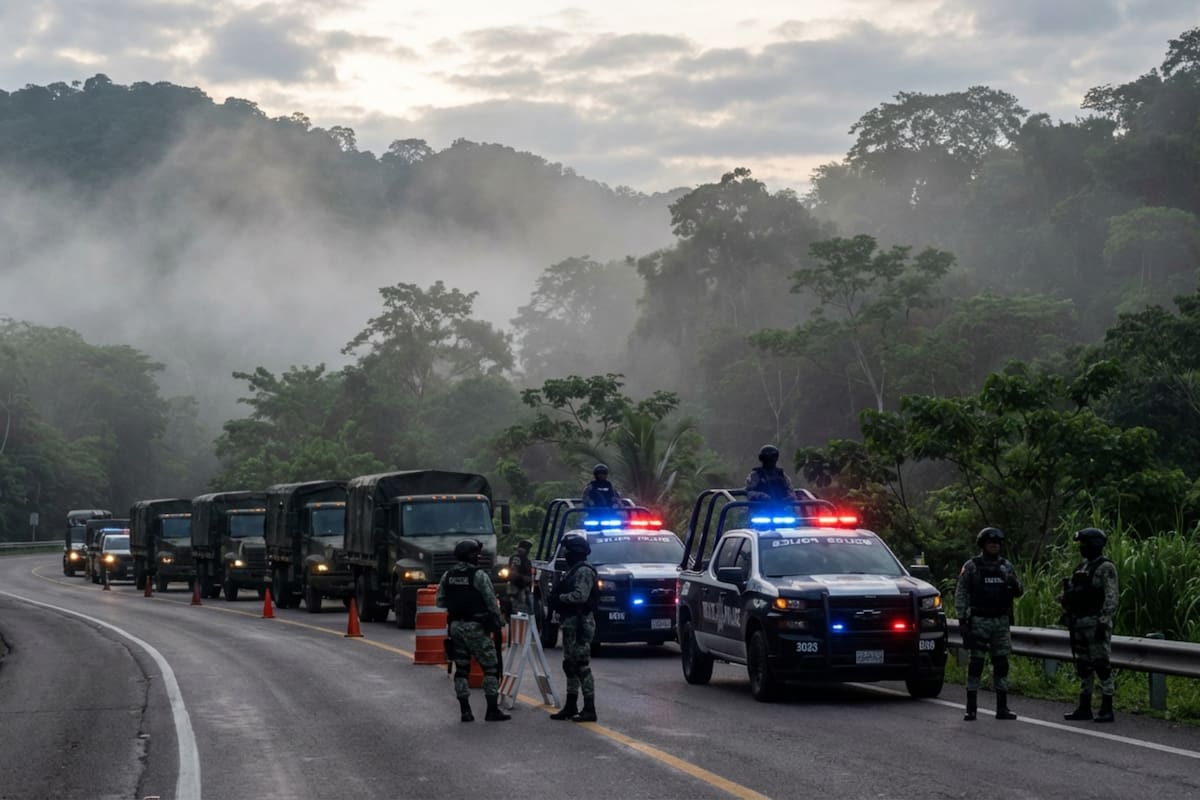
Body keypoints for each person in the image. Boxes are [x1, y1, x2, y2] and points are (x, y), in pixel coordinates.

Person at [435, 538, 511, 723]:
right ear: (470, 555)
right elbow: (491, 602)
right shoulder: (478, 576)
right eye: (476, 553)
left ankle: (465, 711)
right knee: (491, 667)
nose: (478, 556)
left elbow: (440, 601)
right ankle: (492, 710)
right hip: (475, 627)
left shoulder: (448, 575)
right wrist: (499, 620)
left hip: (455, 627)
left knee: (461, 669)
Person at [955, 527, 1024, 721]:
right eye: (990, 543)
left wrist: (1013, 583)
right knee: (976, 663)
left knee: (1001, 663)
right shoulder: (972, 567)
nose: (994, 545)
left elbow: (1019, 592)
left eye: (997, 543)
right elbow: (961, 593)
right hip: (979, 621)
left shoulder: (1006, 567)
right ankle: (971, 708)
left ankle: (1002, 708)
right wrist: (962, 620)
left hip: (1001, 622)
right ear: (983, 545)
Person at [1060, 527, 1120, 723]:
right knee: (1083, 666)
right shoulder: (1081, 567)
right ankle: (1084, 707)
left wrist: (1104, 621)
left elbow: (1111, 597)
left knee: (1101, 665)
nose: (1082, 548)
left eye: (1085, 544)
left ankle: (1107, 707)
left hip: (1096, 623)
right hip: (1079, 622)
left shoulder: (1105, 567)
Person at [547, 533, 598, 722]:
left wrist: (559, 599)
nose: (565, 555)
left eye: (568, 551)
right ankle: (571, 705)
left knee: (581, 666)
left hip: (580, 624)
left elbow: (580, 596)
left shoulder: (584, 571)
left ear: (576, 552)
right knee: (570, 665)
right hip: (570, 623)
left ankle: (589, 708)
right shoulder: (573, 570)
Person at [507, 539, 534, 616]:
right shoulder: (516, 558)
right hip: (517, 588)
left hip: (522, 587)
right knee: (518, 611)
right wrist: (524, 578)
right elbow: (513, 574)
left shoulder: (526, 560)